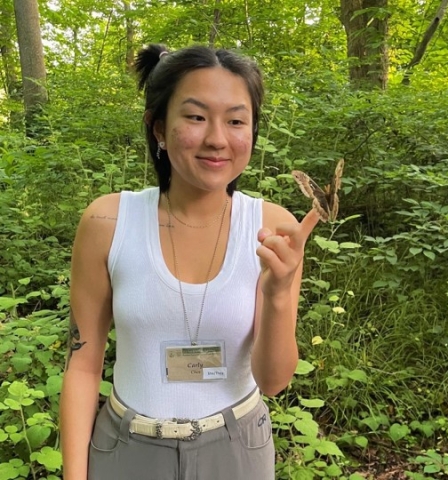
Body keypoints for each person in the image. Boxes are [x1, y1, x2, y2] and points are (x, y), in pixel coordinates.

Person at [59, 43, 320, 480]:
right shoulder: (108, 221)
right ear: (158, 127)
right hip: (127, 450)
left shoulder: (272, 228)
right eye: (196, 117)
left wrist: (277, 293)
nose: (218, 138)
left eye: (236, 120)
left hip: (237, 450)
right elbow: (83, 366)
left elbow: (273, 381)